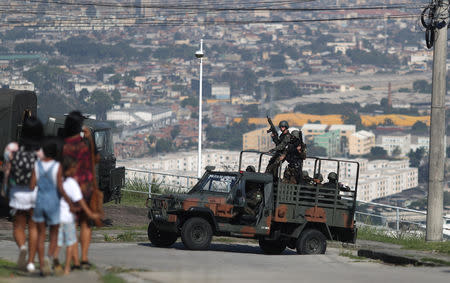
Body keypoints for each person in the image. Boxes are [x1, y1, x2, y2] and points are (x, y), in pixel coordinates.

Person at [3, 116, 42, 272]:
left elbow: (7, 172)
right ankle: (31, 263)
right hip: (35, 192)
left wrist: (5, 190)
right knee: (33, 227)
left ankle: (22, 247)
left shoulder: (12, 148)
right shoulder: (41, 151)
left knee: (18, 226)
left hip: (18, 192)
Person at [62, 111, 98, 269]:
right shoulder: (84, 144)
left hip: (69, 188)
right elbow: (95, 159)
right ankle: (84, 257)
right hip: (86, 188)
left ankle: (75, 260)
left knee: (71, 224)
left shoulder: (63, 145)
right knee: (85, 224)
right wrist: (91, 139)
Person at [29, 138, 70, 276]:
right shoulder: (57, 167)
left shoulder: (37, 165)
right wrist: (68, 199)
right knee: (54, 234)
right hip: (53, 203)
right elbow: (59, 186)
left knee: (41, 235)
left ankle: (41, 265)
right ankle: (49, 257)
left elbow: (32, 185)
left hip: (40, 202)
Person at [53, 157, 100, 275]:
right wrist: (90, 213)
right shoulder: (72, 184)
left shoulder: (58, 182)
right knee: (70, 243)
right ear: (70, 170)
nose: (75, 170)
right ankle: (67, 267)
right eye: (74, 168)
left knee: (57, 243)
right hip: (68, 219)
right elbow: (81, 202)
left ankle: (54, 261)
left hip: (57, 218)